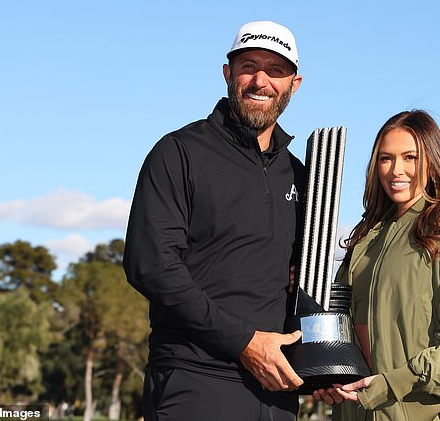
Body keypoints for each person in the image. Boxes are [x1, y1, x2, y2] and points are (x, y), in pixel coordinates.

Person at [123, 21, 306, 421]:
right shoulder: (179, 153)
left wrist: (328, 365)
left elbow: (304, 275)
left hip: (276, 390)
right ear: (228, 73)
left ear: (295, 83)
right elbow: (150, 266)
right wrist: (244, 342)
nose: (261, 80)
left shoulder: (299, 174)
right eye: (248, 66)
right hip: (194, 379)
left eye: (276, 70)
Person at [313, 110, 440, 421]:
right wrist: (331, 375)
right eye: (386, 159)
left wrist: (391, 385)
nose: (396, 170)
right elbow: (343, 324)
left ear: (432, 160)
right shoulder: (366, 239)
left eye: (410, 157)